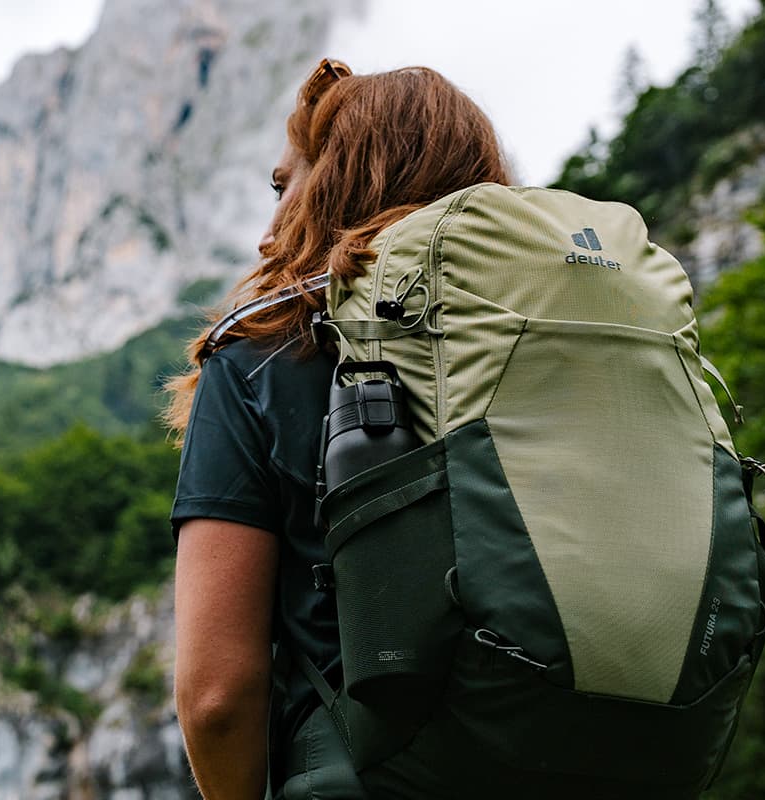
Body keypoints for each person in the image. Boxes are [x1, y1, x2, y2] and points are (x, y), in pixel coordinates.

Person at [163, 58, 512, 800]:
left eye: (283, 186)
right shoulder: (547, 348)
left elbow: (217, 698)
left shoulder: (259, 364)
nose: (266, 236)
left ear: (339, 180)